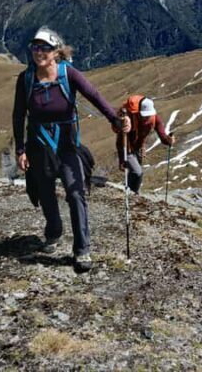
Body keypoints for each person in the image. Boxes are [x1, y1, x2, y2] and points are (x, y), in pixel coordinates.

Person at [12, 26, 129, 273]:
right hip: (38, 146)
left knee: (76, 193)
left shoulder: (69, 74)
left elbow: (94, 95)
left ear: (56, 52)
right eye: (35, 47)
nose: (38, 52)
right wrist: (20, 150)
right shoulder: (25, 79)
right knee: (45, 193)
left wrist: (115, 120)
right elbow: (18, 114)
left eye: (44, 48)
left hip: (67, 146)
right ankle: (53, 232)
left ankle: (82, 249)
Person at [116, 95, 175, 194]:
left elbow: (162, 135)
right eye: (144, 115)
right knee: (137, 172)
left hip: (138, 147)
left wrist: (168, 140)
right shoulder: (130, 116)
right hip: (127, 147)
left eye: (148, 115)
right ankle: (132, 194)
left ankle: (130, 192)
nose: (146, 118)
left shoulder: (155, 118)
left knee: (136, 173)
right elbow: (120, 139)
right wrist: (122, 159)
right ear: (139, 112)